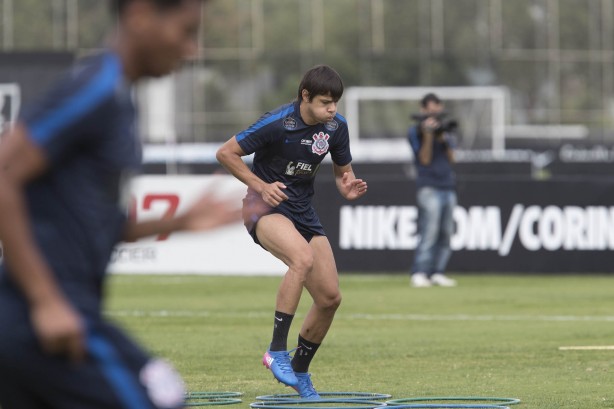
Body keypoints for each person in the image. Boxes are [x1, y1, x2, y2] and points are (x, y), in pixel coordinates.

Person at [0, 0, 242, 408]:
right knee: (163, 397)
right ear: (140, 15)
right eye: (186, 31)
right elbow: (5, 174)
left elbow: (96, 223)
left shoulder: (120, 102)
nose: (191, 49)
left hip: (46, 315)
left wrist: (179, 221)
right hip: (42, 315)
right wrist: (46, 301)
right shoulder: (97, 89)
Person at [216, 65, 368, 399]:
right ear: (305, 97)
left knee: (330, 298)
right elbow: (226, 153)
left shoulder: (335, 127)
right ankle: (275, 351)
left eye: (335, 103)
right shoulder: (276, 123)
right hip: (263, 206)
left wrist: (348, 188)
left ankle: (299, 372)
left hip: (302, 210)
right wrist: (260, 184)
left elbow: (344, 173)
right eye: (325, 102)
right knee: (301, 258)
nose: (332, 109)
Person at [407, 93, 458, 288]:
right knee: (429, 230)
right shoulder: (414, 132)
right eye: (430, 111)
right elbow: (425, 159)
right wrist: (428, 135)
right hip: (428, 186)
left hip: (448, 185)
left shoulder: (445, 131)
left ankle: (437, 272)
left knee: (446, 232)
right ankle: (420, 272)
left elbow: (453, 159)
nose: (434, 115)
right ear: (423, 110)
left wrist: (442, 137)